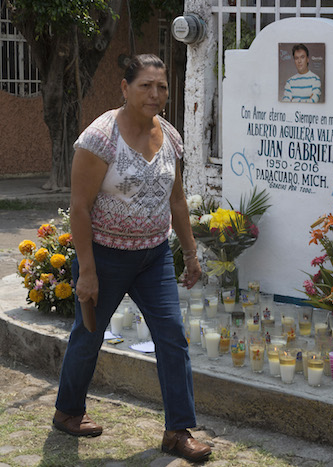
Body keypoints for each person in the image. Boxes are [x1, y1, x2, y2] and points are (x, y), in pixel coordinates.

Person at [52, 54, 211, 463]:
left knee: (172, 336)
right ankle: (68, 412)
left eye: (162, 86)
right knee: (88, 336)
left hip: (153, 257)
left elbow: (177, 200)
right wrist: (87, 271)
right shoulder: (100, 138)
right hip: (104, 256)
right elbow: (79, 208)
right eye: (145, 85)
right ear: (125, 88)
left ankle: (178, 431)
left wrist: (190, 253)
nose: (155, 94)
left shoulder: (170, 136)